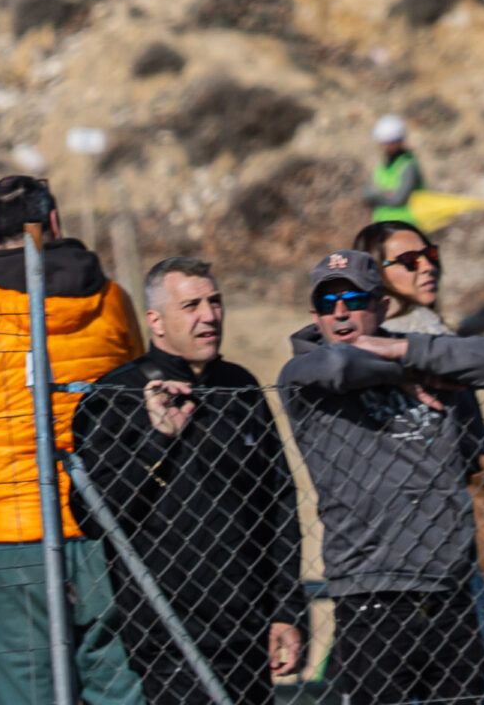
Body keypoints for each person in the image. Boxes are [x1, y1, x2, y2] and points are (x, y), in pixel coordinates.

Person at [0, 177, 148, 705]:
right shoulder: (113, 303)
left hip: (3, 542)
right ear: (56, 224)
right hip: (104, 529)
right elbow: (138, 405)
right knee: (120, 689)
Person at [278, 246, 484, 705]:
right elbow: (337, 364)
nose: (342, 312)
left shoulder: (418, 356)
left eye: (354, 299)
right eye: (328, 304)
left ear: (382, 306)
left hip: (451, 595)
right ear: (315, 314)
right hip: (372, 598)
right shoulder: (303, 373)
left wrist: (400, 351)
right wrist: (406, 369)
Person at [68, 257, 307, 705]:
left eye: (215, 302)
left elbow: (278, 502)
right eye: (191, 305)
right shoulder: (117, 396)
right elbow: (92, 515)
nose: (210, 316)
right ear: (156, 321)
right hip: (169, 635)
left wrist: (287, 610)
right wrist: (156, 442)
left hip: (249, 626)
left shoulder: (241, 387)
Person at [369, 116, 425, 229]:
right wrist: (386, 194)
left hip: (407, 225)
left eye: (391, 142)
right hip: (382, 224)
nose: (387, 147)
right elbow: (366, 194)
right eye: (384, 143)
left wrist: (378, 194)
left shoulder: (408, 165)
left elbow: (398, 199)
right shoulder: (380, 168)